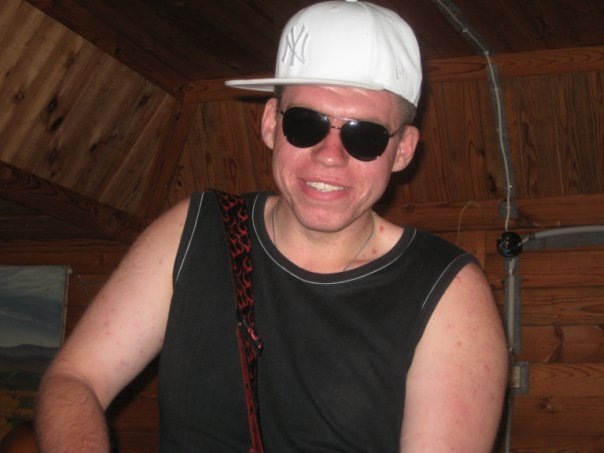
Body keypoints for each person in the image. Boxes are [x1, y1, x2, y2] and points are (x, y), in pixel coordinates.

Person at [35, 1, 508, 451]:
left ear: (402, 150)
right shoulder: (194, 231)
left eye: (364, 136)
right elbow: (74, 379)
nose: (329, 155)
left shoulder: (447, 291)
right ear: (269, 124)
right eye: (305, 124)